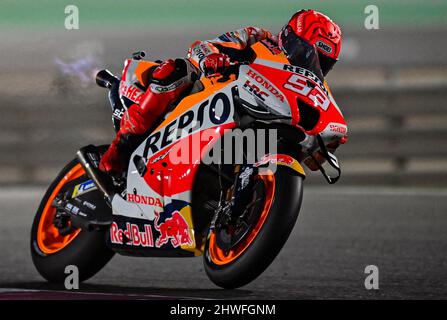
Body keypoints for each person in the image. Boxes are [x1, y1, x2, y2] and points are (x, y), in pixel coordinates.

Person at [99, 9, 342, 174]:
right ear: (290, 37)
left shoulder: (317, 89)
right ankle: (120, 149)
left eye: (323, 63)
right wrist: (212, 57)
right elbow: (200, 48)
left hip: (249, 134)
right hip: (207, 97)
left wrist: (327, 143)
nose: (313, 64)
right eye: (309, 53)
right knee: (175, 70)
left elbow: (311, 162)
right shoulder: (258, 38)